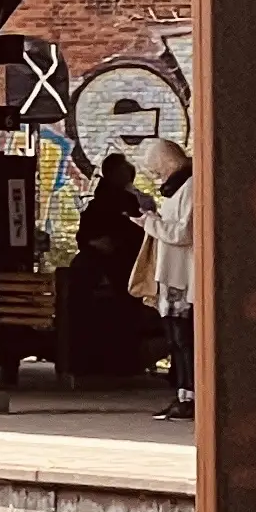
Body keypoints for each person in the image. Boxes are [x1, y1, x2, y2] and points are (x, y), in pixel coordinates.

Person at [130, 137, 196, 417]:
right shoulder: (177, 189)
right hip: (171, 275)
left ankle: (191, 395)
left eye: (156, 170)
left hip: (182, 275)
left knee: (184, 339)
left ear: (167, 161)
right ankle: (182, 392)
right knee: (175, 340)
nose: (156, 177)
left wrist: (151, 223)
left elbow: (183, 233)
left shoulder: (191, 187)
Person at [70, 150, 146, 382]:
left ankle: (94, 362)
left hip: (108, 267)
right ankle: (123, 363)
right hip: (121, 268)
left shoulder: (97, 204)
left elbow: (83, 237)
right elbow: (137, 233)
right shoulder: (125, 202)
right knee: (123, 316)